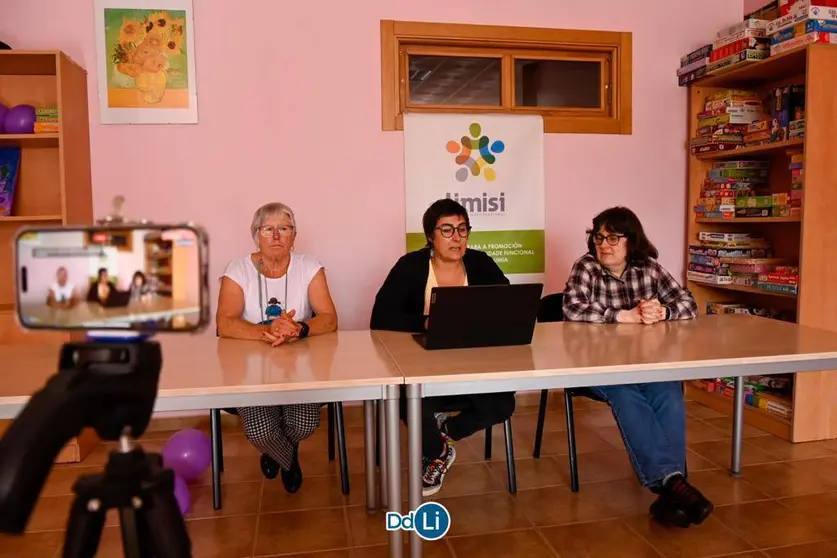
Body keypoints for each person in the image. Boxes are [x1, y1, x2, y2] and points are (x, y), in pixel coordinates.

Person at [562, 206, 712, 528]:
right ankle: (673, 482)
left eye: (613, 238)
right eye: (599, 237)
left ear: (632, 240)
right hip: (598, 367)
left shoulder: (649, 268)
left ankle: (671, 490)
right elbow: (572, 308)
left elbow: (688, 303)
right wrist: (621, 316)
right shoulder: (585, 267)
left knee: (669, 389)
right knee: (626, 392)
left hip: (647, 363)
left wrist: (663, 313)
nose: (604, 244)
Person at [370, 198, 515, 496]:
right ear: (430, 236)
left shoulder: (480, 263)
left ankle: (443, 436)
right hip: (422, 365)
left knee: (502, 403)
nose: (457, 237)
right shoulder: (411, 266)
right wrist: (424, 322)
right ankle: (437, 452)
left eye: (463, 229)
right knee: (406, 399)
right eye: (447, 230)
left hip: (473, 365)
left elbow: (509, 306)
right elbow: (380, 317)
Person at [216, 202, 338, 493]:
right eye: (268, 229)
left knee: (306, 423)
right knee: (259, 429)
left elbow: (330, 318)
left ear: (294, 235)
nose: (276, 236)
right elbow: (225, 323)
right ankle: (287, 458)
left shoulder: (309, 265)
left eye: (284, 229)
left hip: (302, 369)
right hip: (250, 372)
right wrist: (266, 331)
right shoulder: (238, 269)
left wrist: (299, 328)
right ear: (256, 235)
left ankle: (277, 451)